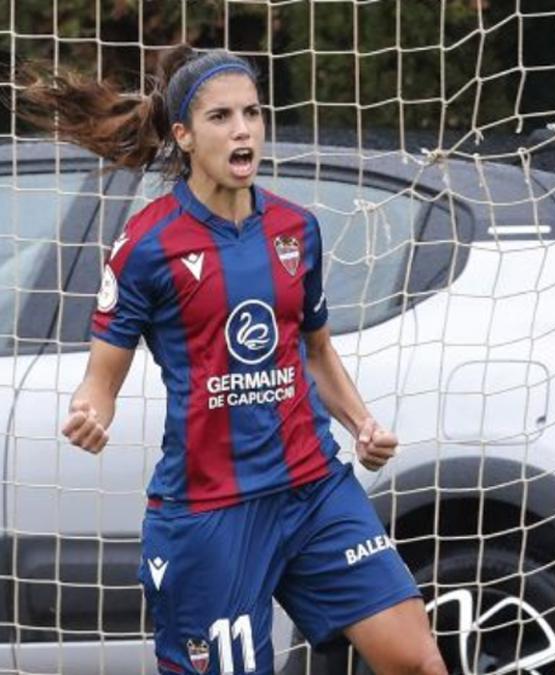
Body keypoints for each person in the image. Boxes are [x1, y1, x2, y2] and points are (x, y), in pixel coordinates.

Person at [14, 46, 448, 674]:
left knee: (417, 662)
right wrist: (90, 412)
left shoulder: (297, 230)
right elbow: (100, 379)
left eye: (252, 112)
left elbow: (316, 349)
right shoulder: (149, 244)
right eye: (221, 117)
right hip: (212, 512)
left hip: (314, 489)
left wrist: (362, 425)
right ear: (184, 135)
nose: (243, 129)